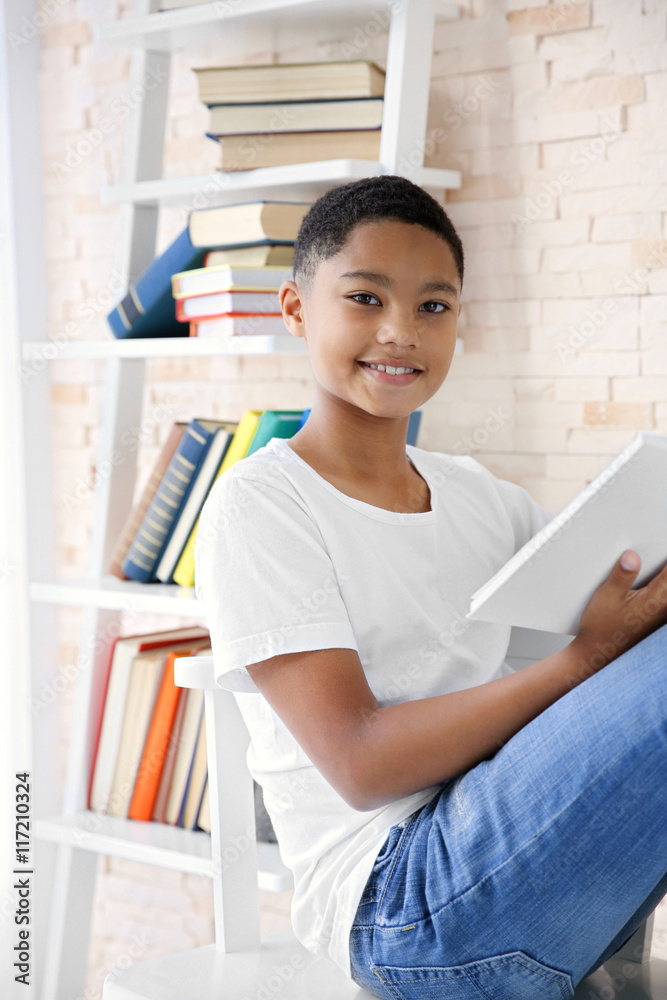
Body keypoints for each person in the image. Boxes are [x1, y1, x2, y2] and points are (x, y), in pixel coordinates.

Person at [194, 174, 667, 999]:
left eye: (433, 308)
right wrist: (581, 661)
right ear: (297, 308)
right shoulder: (260, 505)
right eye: (365, 298)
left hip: (537, 883)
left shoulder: (479, 495)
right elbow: (360, 764)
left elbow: (620, 614)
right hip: (402, 907)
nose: (399, 333)